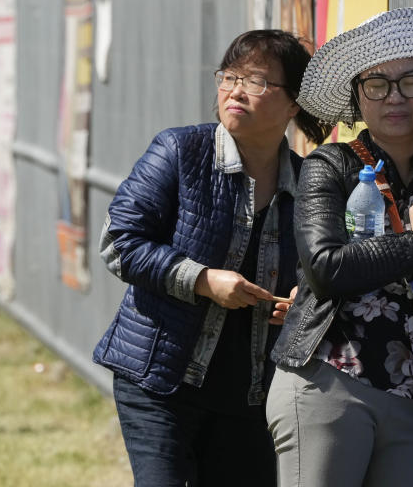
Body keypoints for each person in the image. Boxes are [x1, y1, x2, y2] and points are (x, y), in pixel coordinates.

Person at [92, 30, 332, 487]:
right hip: (160, 380)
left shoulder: (310, 183)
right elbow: (119, 242)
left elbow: (323, 268)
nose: (236, 90)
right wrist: (202, 280)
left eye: (257, 81)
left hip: (250, 395)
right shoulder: (181, 151)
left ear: (294, 103)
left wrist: (304, 299)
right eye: (229, 76)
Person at [266, 7, 413, 486]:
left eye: (410, 81)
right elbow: (326, 268)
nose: (394, 97)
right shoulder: (331, 165)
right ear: (357, 98)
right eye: (376, 85)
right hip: (329, 381)